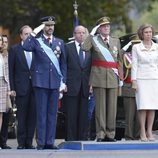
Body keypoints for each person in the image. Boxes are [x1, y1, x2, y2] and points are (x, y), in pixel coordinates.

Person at [22, 16, 66, 149]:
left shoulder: (59, 42)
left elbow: (63, 63)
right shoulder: (36, 41)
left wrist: (63, 81)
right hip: (40, 82)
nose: (50, 27)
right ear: (43, 27)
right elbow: (25, 46)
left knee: (52, 114)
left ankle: (49, 141)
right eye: (47, 25)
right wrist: (34, 32)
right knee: (41, 113)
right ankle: (41, 142)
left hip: (54, 82)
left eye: (52, 25)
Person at [82, 16, 123, 142]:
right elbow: (84, 47)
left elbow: (119, 60)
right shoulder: (94, 40)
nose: (106, 28)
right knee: (100, 108)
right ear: (99, 28)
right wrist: (92, 33)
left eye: (108, 26)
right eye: (104, 26)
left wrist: (120, 77)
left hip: (112, 77)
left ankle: (110, 134)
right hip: (98, 77)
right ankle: (100, 134)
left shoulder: (115, 41)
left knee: (112, 108)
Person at [9, 25, 36, 149]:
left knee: (32, 116)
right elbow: (11, 70)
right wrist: (12, 88)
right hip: (21, 88)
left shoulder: (36, 49)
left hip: (35, 87)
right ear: (21, 35)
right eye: (26, 34)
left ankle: (29, 142)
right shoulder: (15, 49)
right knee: (22, 115)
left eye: (30, 34)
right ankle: (21, 142)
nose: (28, 36)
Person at [64, 25, 91, 141]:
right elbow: (63, 66)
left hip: (85, 86)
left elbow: (91, 68)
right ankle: (71, 137)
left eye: (83, 33)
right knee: (71, 114)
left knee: (83, 113)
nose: (81, 35)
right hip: (71, 85)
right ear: (74, 35)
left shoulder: (90, 49)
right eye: (78, 33)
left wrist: (92, 84)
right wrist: (63, 83)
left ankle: (83, 137)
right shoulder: (67, 47)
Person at [131, 23, 158, 141]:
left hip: (154, 79)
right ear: (142, 34)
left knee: (152, 107)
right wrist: (134, 81)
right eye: (146, 32)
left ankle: (149, 131)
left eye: (150, 32)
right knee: (142, 106)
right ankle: (142, 131)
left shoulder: (157, 47)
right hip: (141, 79)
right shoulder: (136, 47)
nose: (149, 34)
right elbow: (134, 65)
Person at [122, 35, 140, 140]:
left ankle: (138, 135)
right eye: (135, 43)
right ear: (131, 45)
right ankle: (128, 135)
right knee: (129, 115)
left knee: (139, 115)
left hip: (142, 88)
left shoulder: (144, 56)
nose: (137, 45)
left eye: (139, 43)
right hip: (129, 87)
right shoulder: (126, 56)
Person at [0, 35, 14, 148]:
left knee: (5, 115)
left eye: (5, 41)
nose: (3, 43)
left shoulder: (8, 56)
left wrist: (10, 89)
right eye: (1, 41)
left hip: (5, 88)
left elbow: (9, 74)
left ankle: (3, 142)